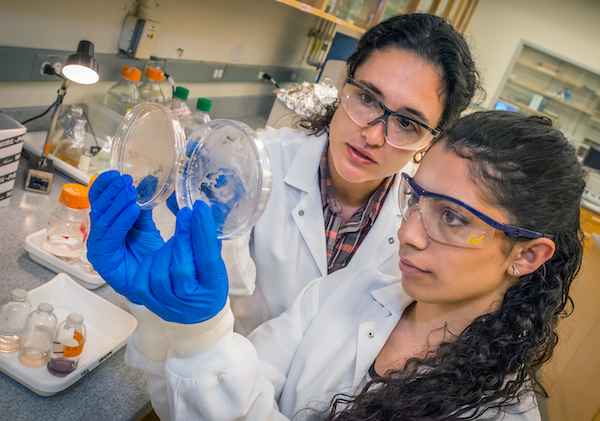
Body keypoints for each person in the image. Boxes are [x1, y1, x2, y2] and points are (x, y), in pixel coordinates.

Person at [113, 111, 584, 420]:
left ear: (526, 254)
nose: (409, 232)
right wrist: (170, 318)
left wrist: (202, 334)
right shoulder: (344, 292)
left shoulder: (498, 414)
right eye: (415, 198)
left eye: (454, 218)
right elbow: (202, 403)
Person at [87, 13, 482, 335]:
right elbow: (195, 310)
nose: (374, 135)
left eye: (407, 124)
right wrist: (158, 291)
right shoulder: (250, 166)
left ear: (431, 139)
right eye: (366, 98)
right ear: (344, 84)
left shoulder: (427, 234)